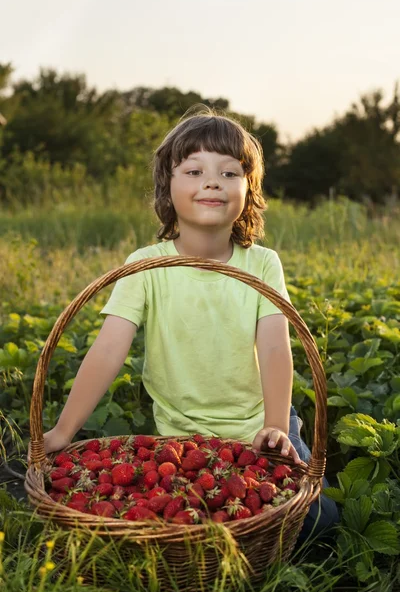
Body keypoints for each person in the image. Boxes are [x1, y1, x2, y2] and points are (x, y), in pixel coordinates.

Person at [39, 108, 339, 538]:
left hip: (259, 428)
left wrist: (275, 425)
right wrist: (63, 431)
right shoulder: (145, 265)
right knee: (186, 522)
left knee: (320, 522)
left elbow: (275, 347)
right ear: (168, 187)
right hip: (181, 439)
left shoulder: (262, 263)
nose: (212, 182)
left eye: (229, 172)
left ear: (248, 189)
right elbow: (108, 350)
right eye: (195, 170)